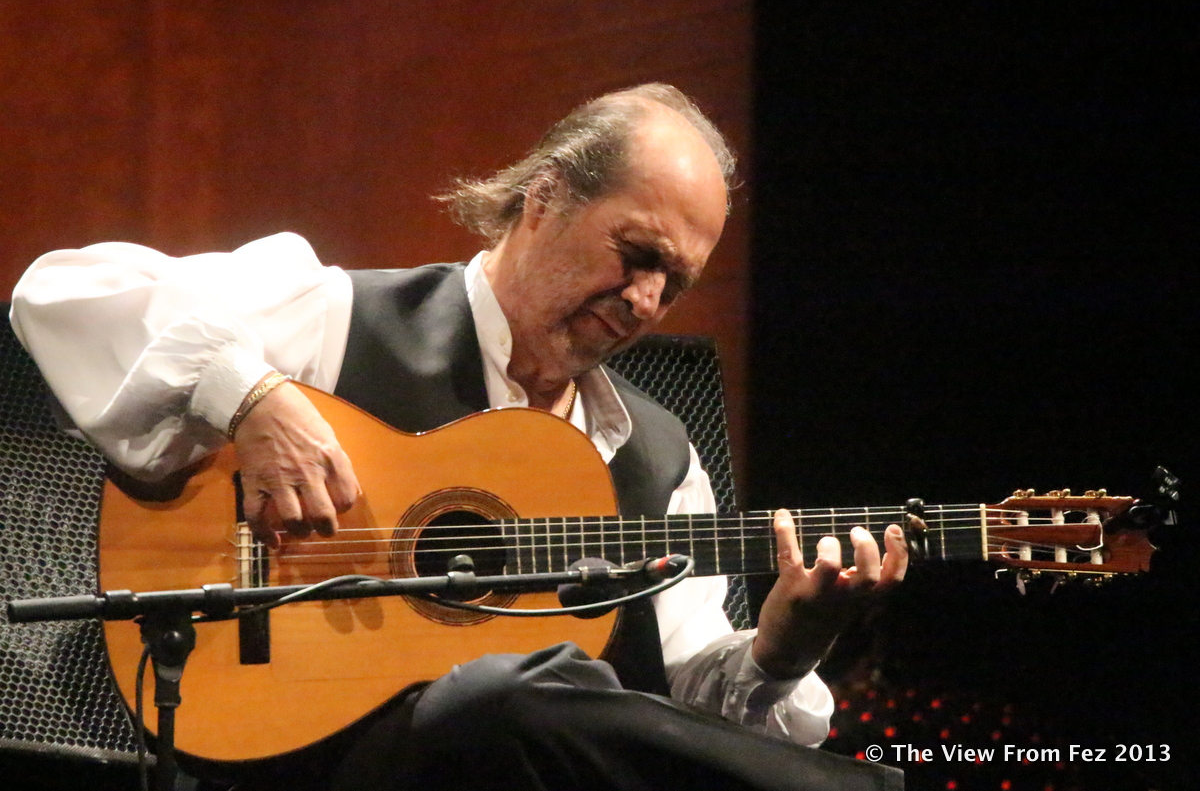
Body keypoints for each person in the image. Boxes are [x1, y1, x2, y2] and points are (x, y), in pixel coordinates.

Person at [11, 84, 906, 790]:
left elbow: (669, 710)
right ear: (545, 197)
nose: (644, 300)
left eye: (674, 282)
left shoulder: (656, 455)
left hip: (517, 767)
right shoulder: (335, 315)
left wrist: (782, 651)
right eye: (635, 252)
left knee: (534, 697)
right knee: (499, 698)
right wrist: (252, 399)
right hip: (293, 754)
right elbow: (61, 293)